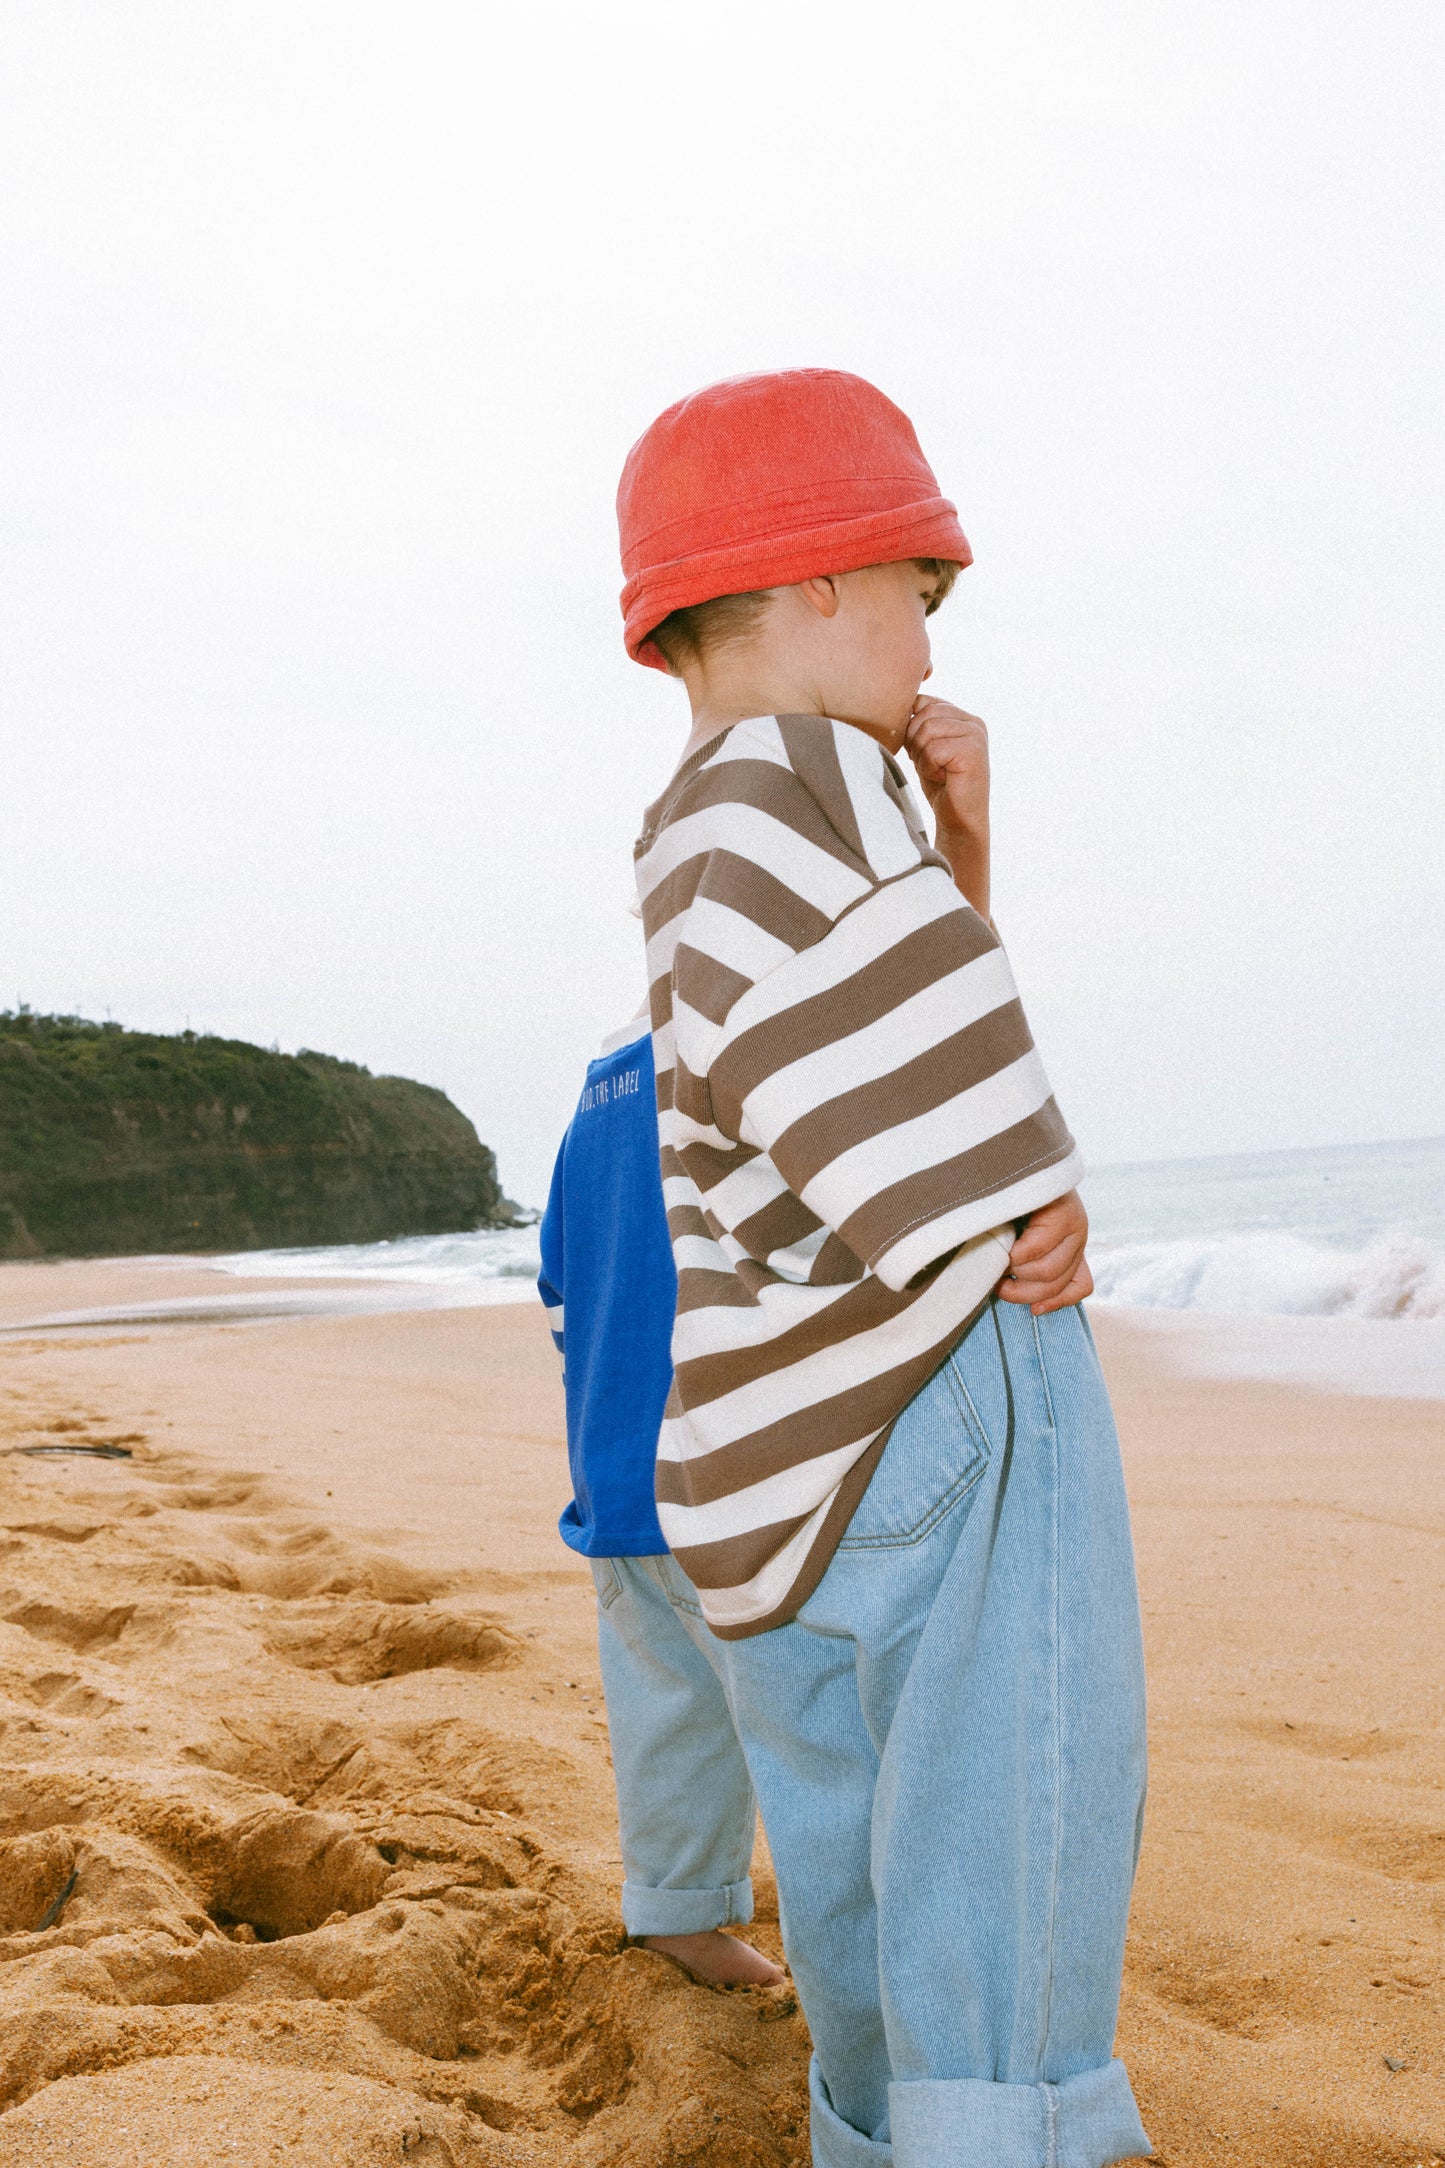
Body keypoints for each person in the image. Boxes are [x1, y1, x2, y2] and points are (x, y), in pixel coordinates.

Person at [615, 369, 1150, 2168]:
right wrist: (1032, 1201)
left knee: (854, 1901)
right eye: (925, 592)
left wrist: (960, 864)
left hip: (778, 1471)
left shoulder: (692, 823)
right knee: (1004, 1894)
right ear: (829, 576)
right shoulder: (814, 780)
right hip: (930, 1411)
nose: (932, 641)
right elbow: (962, 1126)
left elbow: (828, 1073)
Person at [537, 1011, 784, 1988]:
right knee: (814, 1721)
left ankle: (678, 1910)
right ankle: (867, 1926)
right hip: (733, 1466)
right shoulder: (748, 1042)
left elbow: (559, 1282)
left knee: (665, 1702)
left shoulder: (592, 1099)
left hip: (616, 1469)